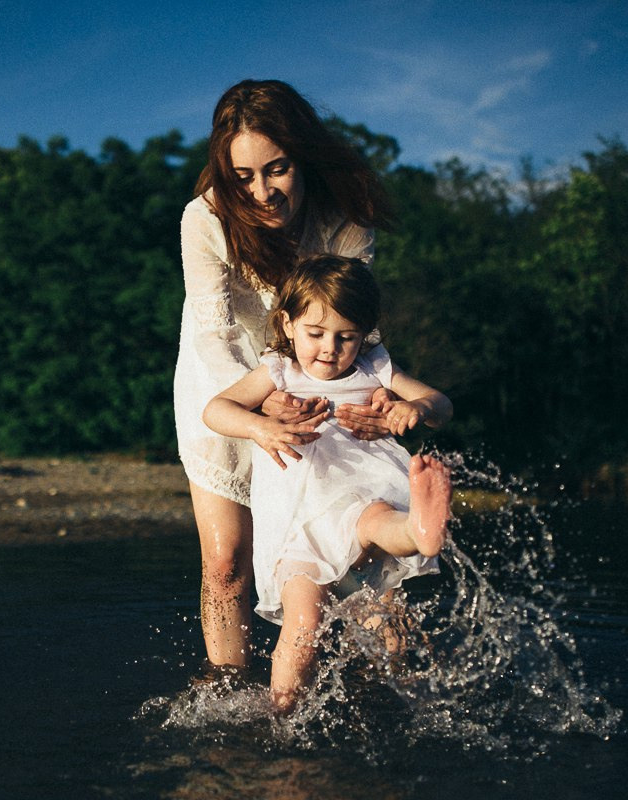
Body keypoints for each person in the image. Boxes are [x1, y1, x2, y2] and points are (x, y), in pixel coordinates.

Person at [173, 79, 397, 673]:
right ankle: (226, 690)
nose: (262, 192)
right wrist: (261, 402)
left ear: (304, 157)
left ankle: (351, 687)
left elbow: (354, 327)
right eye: (243, 176)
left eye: (277, 169)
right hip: (221, 384)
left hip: (317, 385)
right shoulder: (204, 219)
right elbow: (214, 335)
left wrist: (381, 397)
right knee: (226, 561)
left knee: (340, 546)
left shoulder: (345, 222)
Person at [202, 254, 453, 709]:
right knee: (304, 624)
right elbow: (216, 410)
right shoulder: (279, 370)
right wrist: (260, 427)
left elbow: (440, 403)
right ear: (288, 324)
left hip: (363, 492)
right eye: (315, 334)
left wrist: (416, 409)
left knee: (378, 522)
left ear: (365, 334)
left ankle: (420, 531)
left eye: (346, 337)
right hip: (298, 520)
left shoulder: (375, 368)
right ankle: (283, 711)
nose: (329, 349)